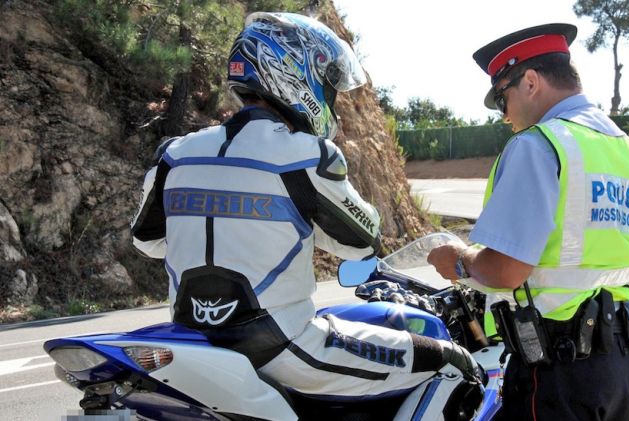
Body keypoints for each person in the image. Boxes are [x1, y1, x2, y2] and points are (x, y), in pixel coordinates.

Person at [130, 12, 479, 420]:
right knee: (453, 364)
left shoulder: (175, 153)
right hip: (281, 344)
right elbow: (361, 242)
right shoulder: (308, 156)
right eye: (329, 85)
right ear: (296, 73)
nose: (331, 97)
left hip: (194, 341)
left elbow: (148, 242)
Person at [427, 23, 629, 421]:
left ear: (531, 82)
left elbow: (506, 269)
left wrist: (459, 259)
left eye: (502, 98)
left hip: (555, 371)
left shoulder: (539, 145)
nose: (505, 116)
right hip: (618, 366)